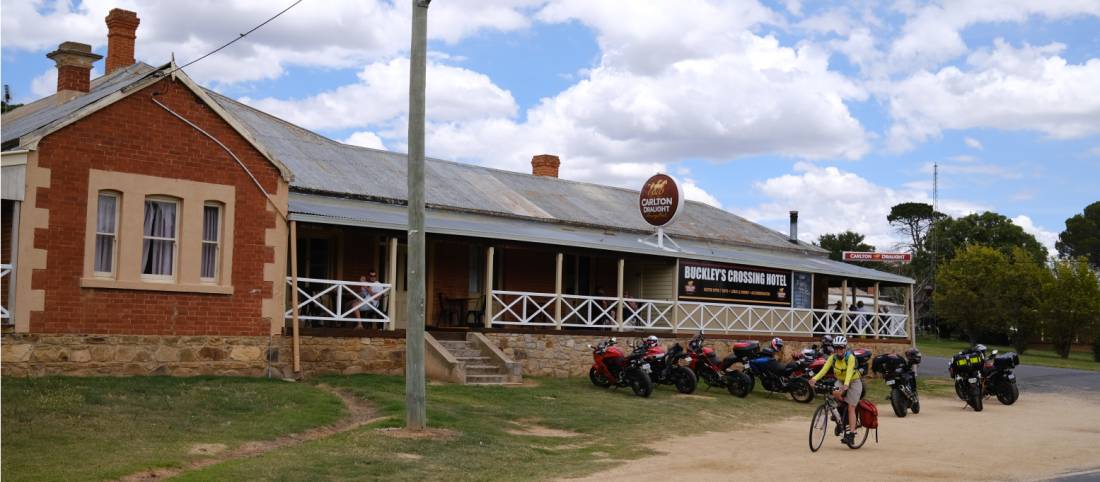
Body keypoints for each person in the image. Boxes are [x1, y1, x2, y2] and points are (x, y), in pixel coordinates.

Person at [808, 335, 862, 444]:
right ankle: (842, 415)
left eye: (841, 347)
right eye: (836, 347)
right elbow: (824, 370)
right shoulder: (832, 358)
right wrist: (814, 379)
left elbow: (850, 371)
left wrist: (846, 384)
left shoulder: (850, 358)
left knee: (851, 407)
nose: (838, 350)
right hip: (840, 381)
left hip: (854, 382)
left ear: (845, 347)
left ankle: (852, 434)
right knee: (835, 391)